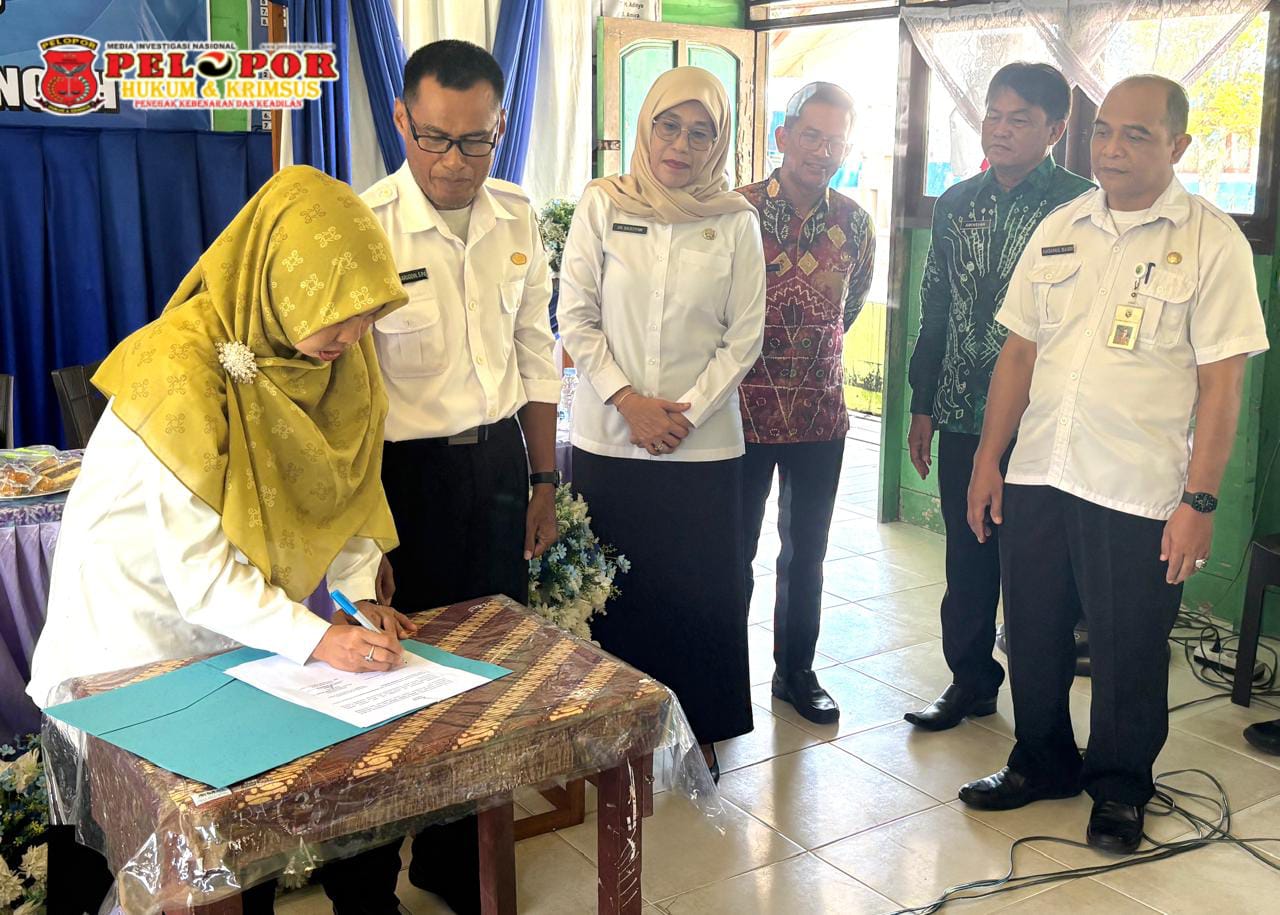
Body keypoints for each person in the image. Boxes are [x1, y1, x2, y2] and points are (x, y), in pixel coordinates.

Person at [26, 165, 417, 913]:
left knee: (232, 858)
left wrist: (355, 597)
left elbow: (343, 483)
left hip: (235, 641)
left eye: (370, 312)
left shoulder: (337, 357)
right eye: (337, 312)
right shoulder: (175, 370)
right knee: (132, 863)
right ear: (281, 283)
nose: (353, 335)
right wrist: (316, 639)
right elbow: (199, 576)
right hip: (128, 641)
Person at [958, 75, 1269, 854]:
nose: (1113, 147)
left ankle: (1122, 786)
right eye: (1103, 130)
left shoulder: (1212, 241)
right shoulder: (1061, 226)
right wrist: (989, 459)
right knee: (1033, 632)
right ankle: (1041, 761)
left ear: (1178, 145)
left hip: (1136, 489)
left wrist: (1200, 500)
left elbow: (1222, 385)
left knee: (1128, 647)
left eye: (1137, 133)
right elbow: (1019, 353)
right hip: (1039, 472)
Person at [338, 40, 561, 914]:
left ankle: (451, 857)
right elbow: (343, 401)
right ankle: (366, 886)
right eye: (435, 138)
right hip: (400, 481)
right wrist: (362, 547)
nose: (455, 162)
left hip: (497, 465)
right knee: (382, 677)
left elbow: (536, 350)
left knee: (484, 671)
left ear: (500, 126)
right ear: (401, 119)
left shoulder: (516, 215)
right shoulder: (365, 226)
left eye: (476, 141)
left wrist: (543, 479)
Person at [558, 66, 766, 778]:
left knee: (702, 592)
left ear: (719, 141)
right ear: (644, 127)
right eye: (668, 126)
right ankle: (615, 737)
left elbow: (744, 335)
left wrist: (684, 414)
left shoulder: (734, 219)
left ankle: (702, 726)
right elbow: (576, 316)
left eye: (700, 132)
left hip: (702, 446)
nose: (681, 144)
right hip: (608, 436)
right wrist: (629, 402)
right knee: (614, 591)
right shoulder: (603, 203)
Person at [904, 62, 1093, 732]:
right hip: (962, 410)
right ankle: (971, 681)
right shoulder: (956, 202)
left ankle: (1042, 714)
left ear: (1055, 129)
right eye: (992, 115)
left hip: (1046, 421)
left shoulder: (1082, 206)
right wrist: (922, 403)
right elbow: (935, 307)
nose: (1001, 129)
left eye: (1019, 119)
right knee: (968, 556)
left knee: (1042, 574)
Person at [736, 82, 875, 725]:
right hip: (738, 413)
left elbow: (850, 306)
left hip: (821, 414)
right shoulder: (734, 212)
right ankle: (723, 675)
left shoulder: (855, 222)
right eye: (811, 135)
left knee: (806, 552)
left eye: (835, 141)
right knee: (733, 552)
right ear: (783, 136)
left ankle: (796, 672)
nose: (822, 151)